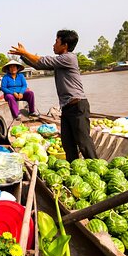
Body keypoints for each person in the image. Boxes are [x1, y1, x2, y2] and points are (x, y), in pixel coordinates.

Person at [9, 29, 98, 162]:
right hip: (67, 108)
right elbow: (39, 65)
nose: (53, 44)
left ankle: (97, 166)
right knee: (68, 144)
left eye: (56, 41)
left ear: (65, 45)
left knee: (84, 143)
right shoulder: (60, 62)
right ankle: (74, 170)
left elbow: (43, 61)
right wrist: (22, 56)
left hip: (78, 106)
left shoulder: (69, 58)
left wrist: (25, 52)